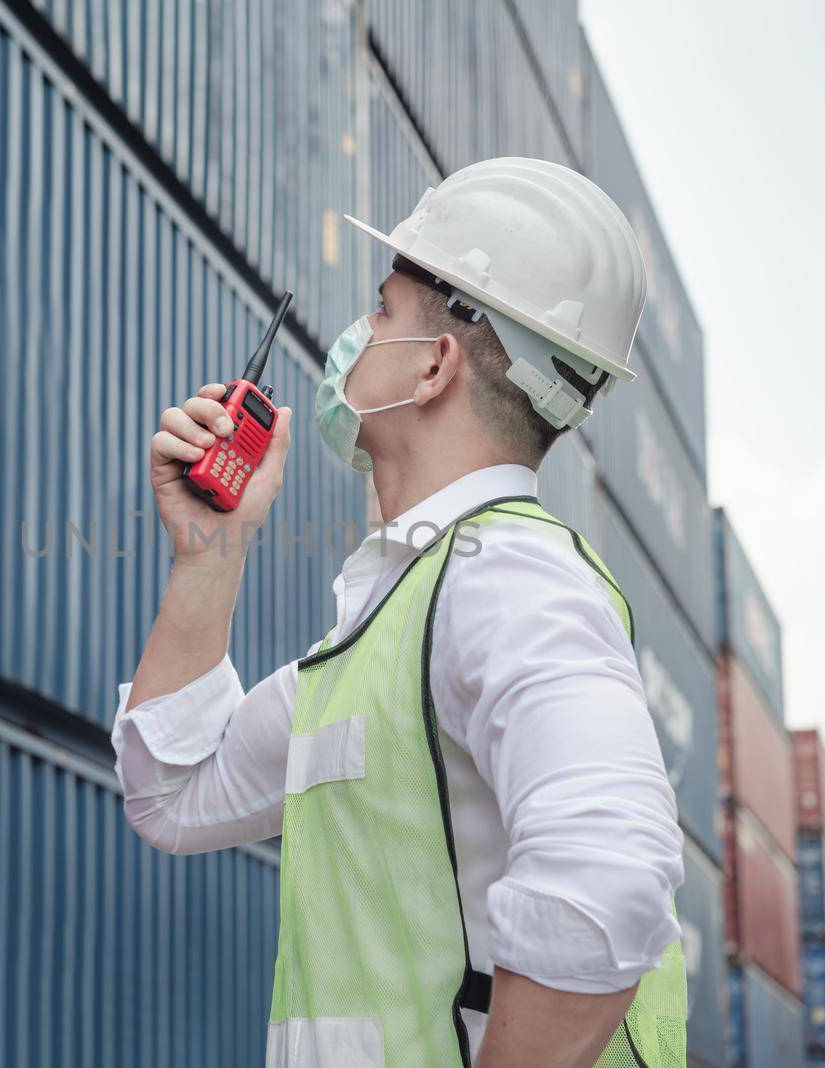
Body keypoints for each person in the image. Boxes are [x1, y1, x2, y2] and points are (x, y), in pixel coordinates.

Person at [112, 158, 687, 1067]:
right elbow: (172, 796)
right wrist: (208, 551)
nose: (356, 332)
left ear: (433, 364)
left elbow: (609, 878)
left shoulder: (509, 576)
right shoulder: (395, 619)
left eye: (381, 308)